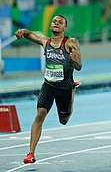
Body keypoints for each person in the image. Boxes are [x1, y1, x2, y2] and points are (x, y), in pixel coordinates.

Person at [15, 15, 82, 164]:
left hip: (64, 86)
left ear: (64, 28)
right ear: (51, 26)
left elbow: (79, 66)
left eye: (60, 22)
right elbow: (30, 34)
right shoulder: (46, 42)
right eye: (54, 21)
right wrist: (21, 32)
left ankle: (73, 90)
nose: (56, 23)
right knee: (40, 114)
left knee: (63, 120)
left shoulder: (71, 42)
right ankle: (30, 153)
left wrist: (74, 59)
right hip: (49, 85)